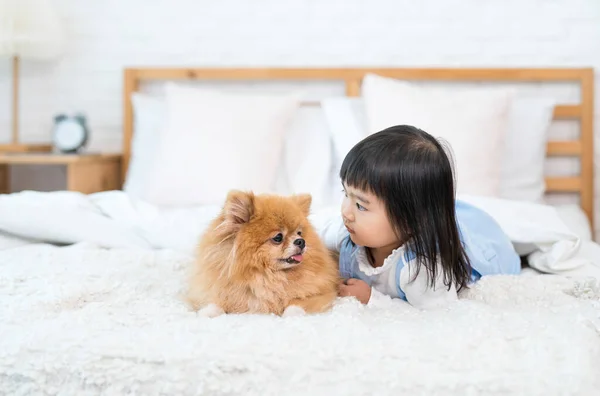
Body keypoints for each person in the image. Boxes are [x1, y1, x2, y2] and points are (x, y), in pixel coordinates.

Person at [314, 125, 521, 309]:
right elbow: (309, 233)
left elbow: (437, 315)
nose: (346, 212)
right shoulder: (346, 232)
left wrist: (371, 299)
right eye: (345, 194)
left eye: (361, 205)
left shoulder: (422, 270)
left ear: (409, 220)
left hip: (482, 240)